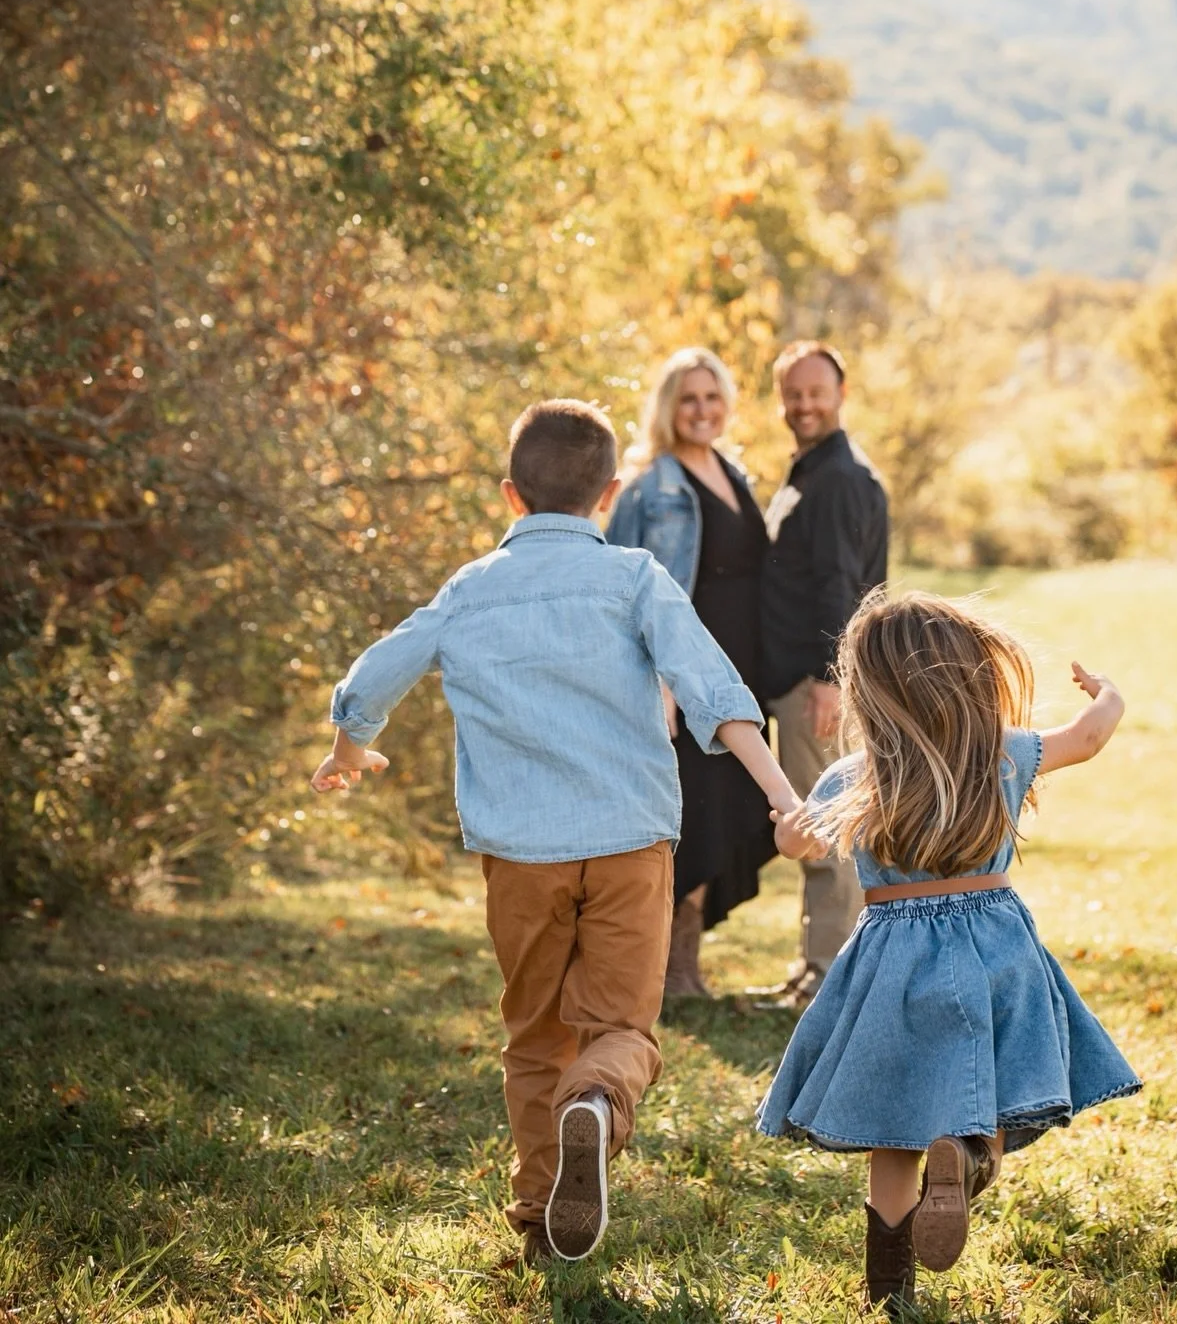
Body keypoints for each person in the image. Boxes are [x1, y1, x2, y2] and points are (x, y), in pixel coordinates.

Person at [309, 399, 815, 1265]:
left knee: (535, 1033)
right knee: (623, 1029)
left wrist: (350, 744)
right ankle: (599, 1098)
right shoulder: (635, 577)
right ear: (610, 494)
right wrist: (782, 793)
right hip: (629, 842)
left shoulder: (470, 590)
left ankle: (544, 1215)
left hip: (519, 855)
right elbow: (714, 689)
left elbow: (380, 668)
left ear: (511, 495)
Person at [757, 591, 1142, 1317]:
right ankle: (966, 1160)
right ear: (969, 677)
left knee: (891, 1133)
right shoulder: (1007, 752)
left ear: (869, 690)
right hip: (994, 942)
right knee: (989, 1089)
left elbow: (799, 842)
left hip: (890, 958)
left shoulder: (854, 776)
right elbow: (1089, 737)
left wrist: (785, 829)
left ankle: (889, 1292)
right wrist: (1109, 693)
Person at [607, 348, 776, 1000]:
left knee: (724, 814)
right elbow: (623, 587)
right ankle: (664, 973)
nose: (702, 410)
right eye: (688, 398)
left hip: (735, 678)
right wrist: (660, 681)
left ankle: (684, 966)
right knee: (688, 820)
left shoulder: (734, 473)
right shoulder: (652, 485)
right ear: (667, 406)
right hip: (685, 681)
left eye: (712, 397)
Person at [761, 339, 888, 1006]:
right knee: (818, 825)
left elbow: (842, 583)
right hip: (804, 680)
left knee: (827, 830)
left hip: (818, 685)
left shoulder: (838, 478)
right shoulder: (809, 469)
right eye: (793, 393)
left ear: (840, 396)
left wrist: (829, 678)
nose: (804, 404)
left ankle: (831, 976)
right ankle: (818, 967)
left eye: (816, 392)